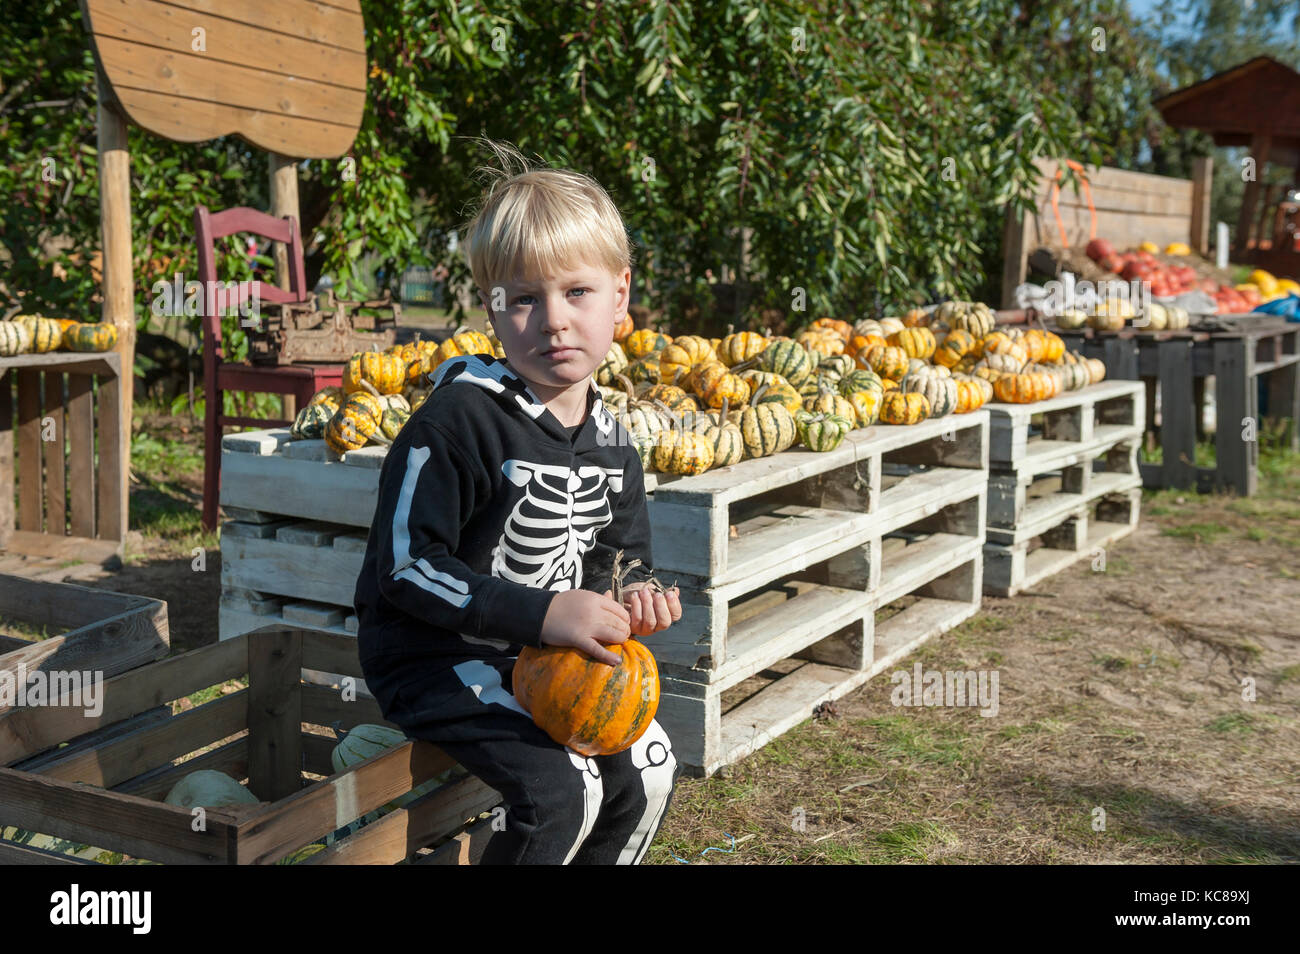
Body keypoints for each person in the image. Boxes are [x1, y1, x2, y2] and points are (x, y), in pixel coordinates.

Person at [353, 141, 683, 865]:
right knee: (567, 788)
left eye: (577, 292)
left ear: (620, 295)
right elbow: (405, 566)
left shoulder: (611, 441)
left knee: (652, 766)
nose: (554, 320)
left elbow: (621, 561)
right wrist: (539, 613)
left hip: (545, 659)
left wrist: (642, 595)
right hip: (435, 657)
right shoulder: (458, 421)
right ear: (493, 310)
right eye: (524, 298)